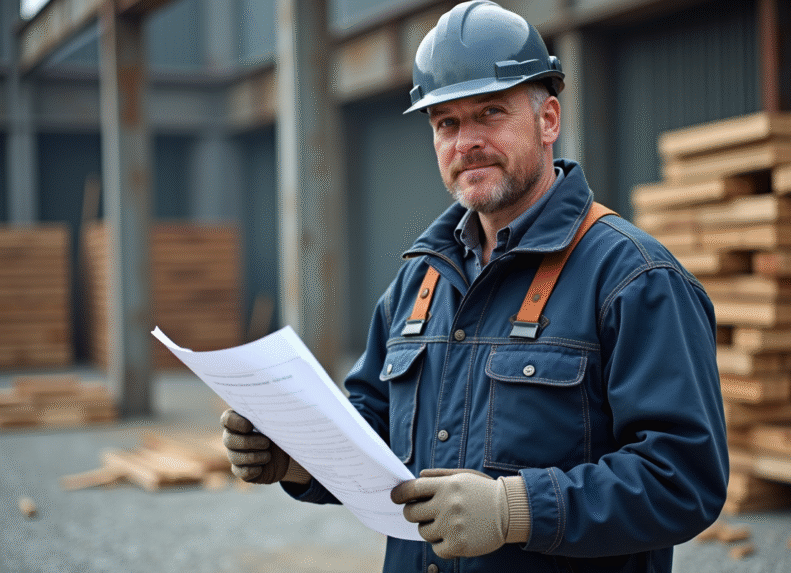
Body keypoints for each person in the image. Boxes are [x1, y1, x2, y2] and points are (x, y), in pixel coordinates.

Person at [221, 1, 729, 571]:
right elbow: (373, 429)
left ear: (549, 120)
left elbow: (683, 479)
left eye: (490, 112)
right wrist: (300, 457)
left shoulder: (633, 278)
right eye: (447, 123)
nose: (466, 142)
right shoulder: (422, 278)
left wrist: (516, 509)